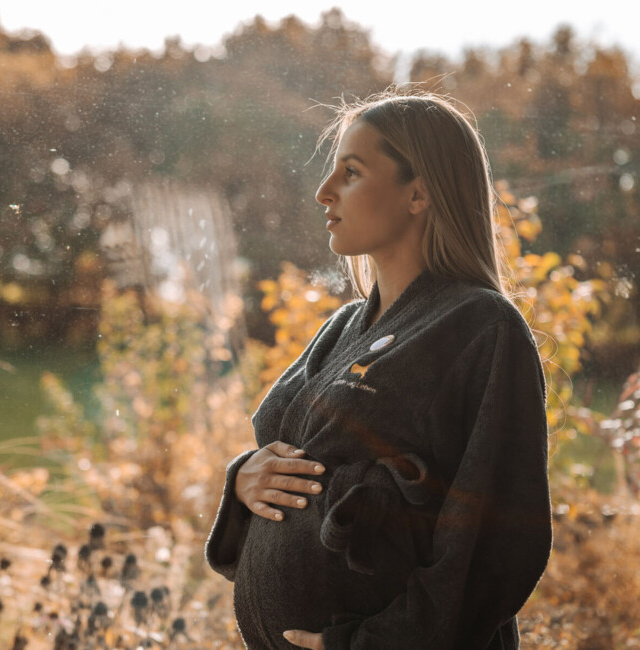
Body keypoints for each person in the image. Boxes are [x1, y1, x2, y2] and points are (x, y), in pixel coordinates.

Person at [205, 90, 552, 650]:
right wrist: (244, 479)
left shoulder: (482, 326)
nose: (324, 193)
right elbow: (295, 454)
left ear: (418, 193)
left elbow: (498, 542)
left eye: (352, 172)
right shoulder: (343, 327)